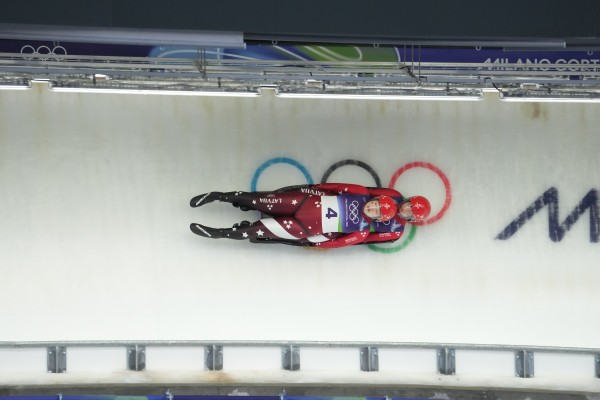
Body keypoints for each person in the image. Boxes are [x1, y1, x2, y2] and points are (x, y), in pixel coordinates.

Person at [189, 183, 431, 249]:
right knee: (255, 199)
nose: (373, 208)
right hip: (304, 202)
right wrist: (312, 188)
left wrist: (315, 242)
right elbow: (335, 187)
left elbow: (337, 243)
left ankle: (220, 233)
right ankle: (219, 196)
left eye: (377, 212)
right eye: (375, 204)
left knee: (256, 230)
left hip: (303, 227)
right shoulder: (360, 193)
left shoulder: (360, 232)